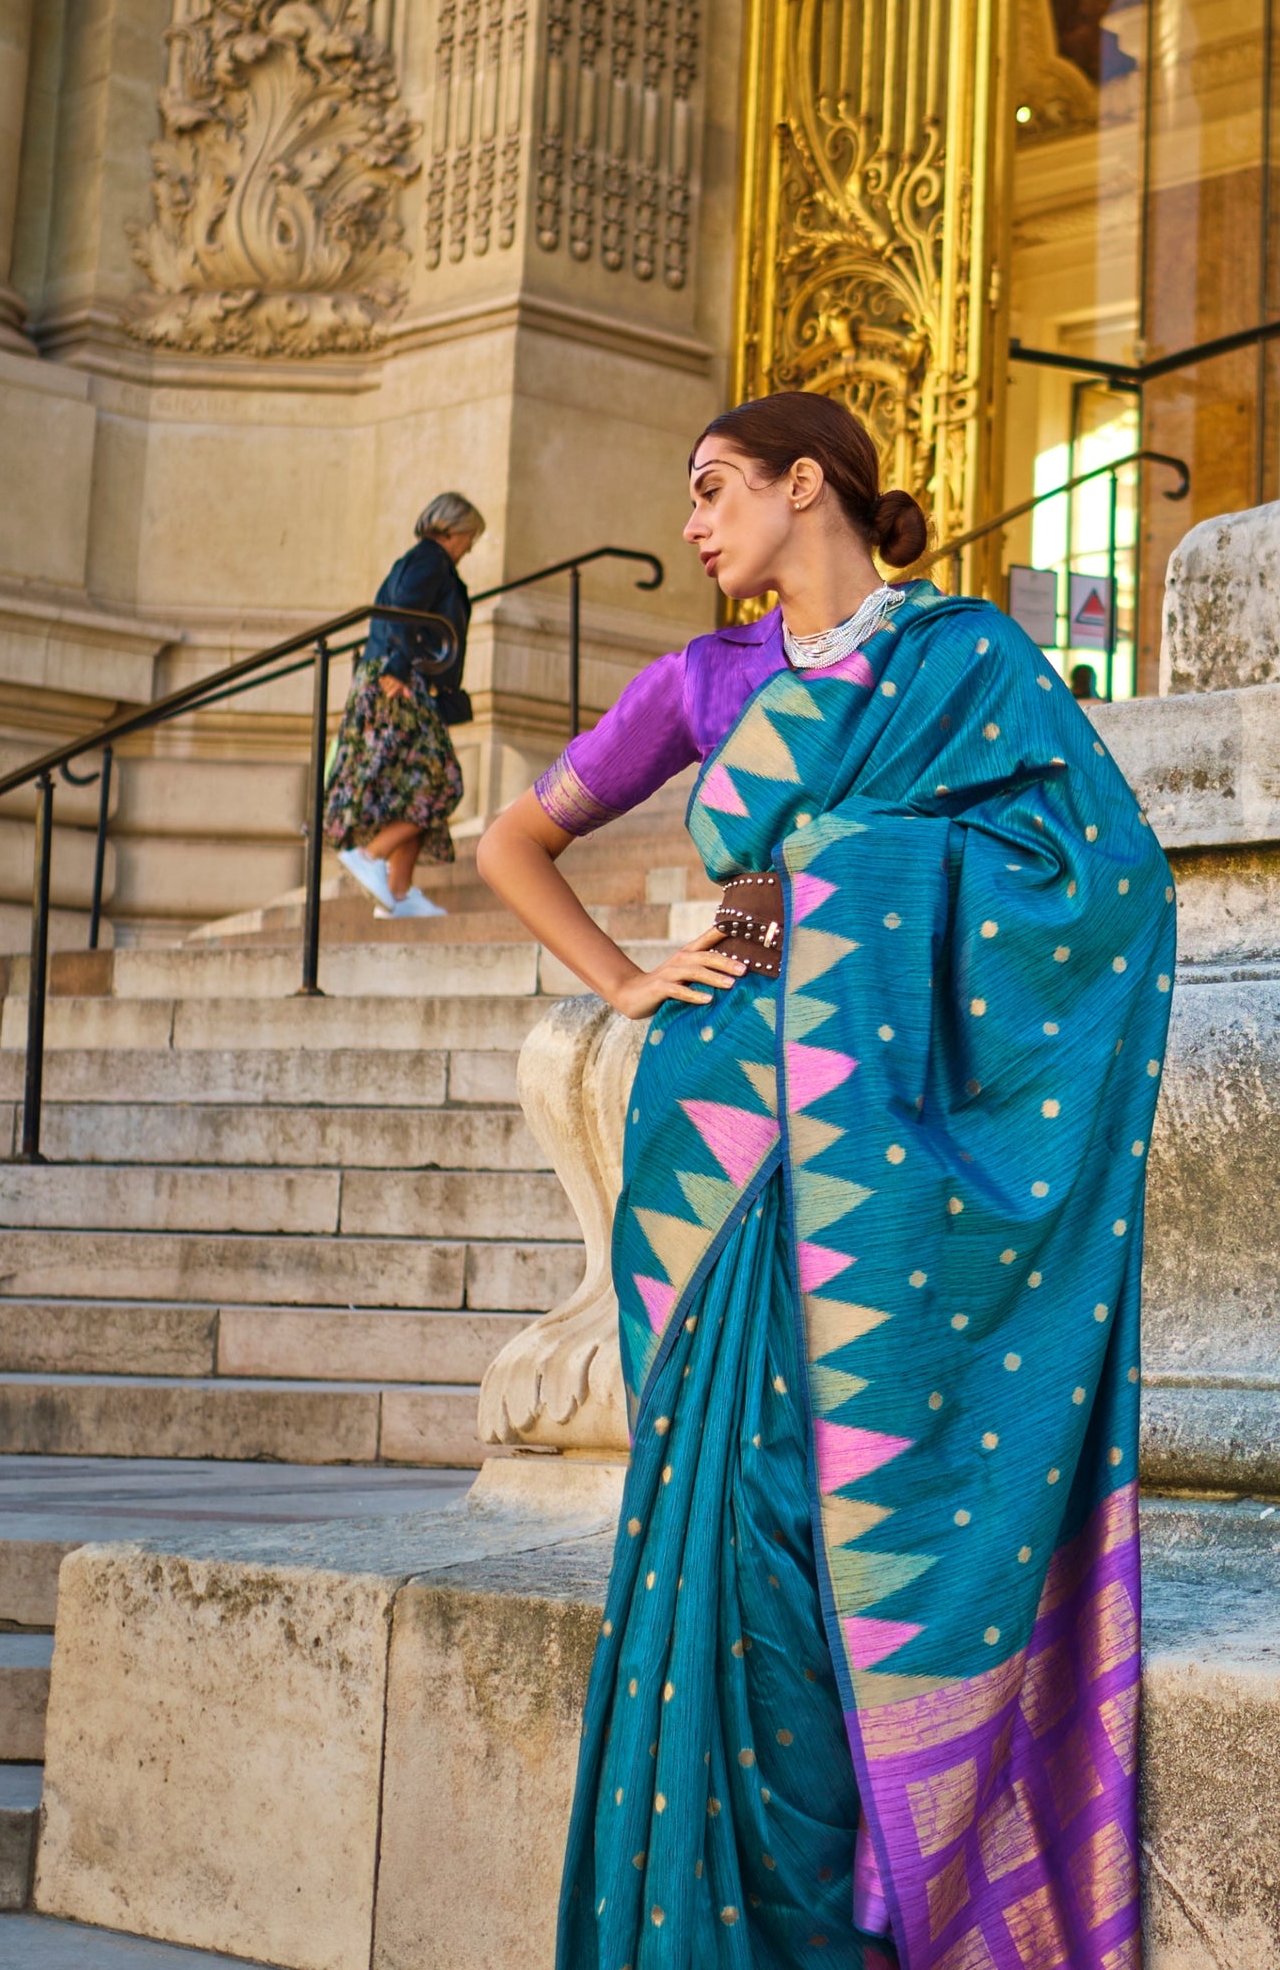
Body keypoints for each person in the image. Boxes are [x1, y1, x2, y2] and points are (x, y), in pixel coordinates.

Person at [477, 392, 1174, 1970]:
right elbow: (512, 841)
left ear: (811, 487)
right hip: (709, 1134)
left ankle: (856, 1909)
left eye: (718, 490)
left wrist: (855, 879)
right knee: (714, 1523)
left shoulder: (971, 659)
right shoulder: (700, 678)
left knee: (816, 1515)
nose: (694, 524)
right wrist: (626, 983)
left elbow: (1105, 877)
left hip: (869, 1139)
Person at [325, 491, 483, 919]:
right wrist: (398, 665)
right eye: (469, 536)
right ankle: (370, 856)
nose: (470, 546)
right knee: (440, 782)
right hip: (399, 682)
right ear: (452, 529)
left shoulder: (423, 561)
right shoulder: (430, 560)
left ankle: (396, 892)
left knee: (414, 785)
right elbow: (404, 611)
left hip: (399, 678)